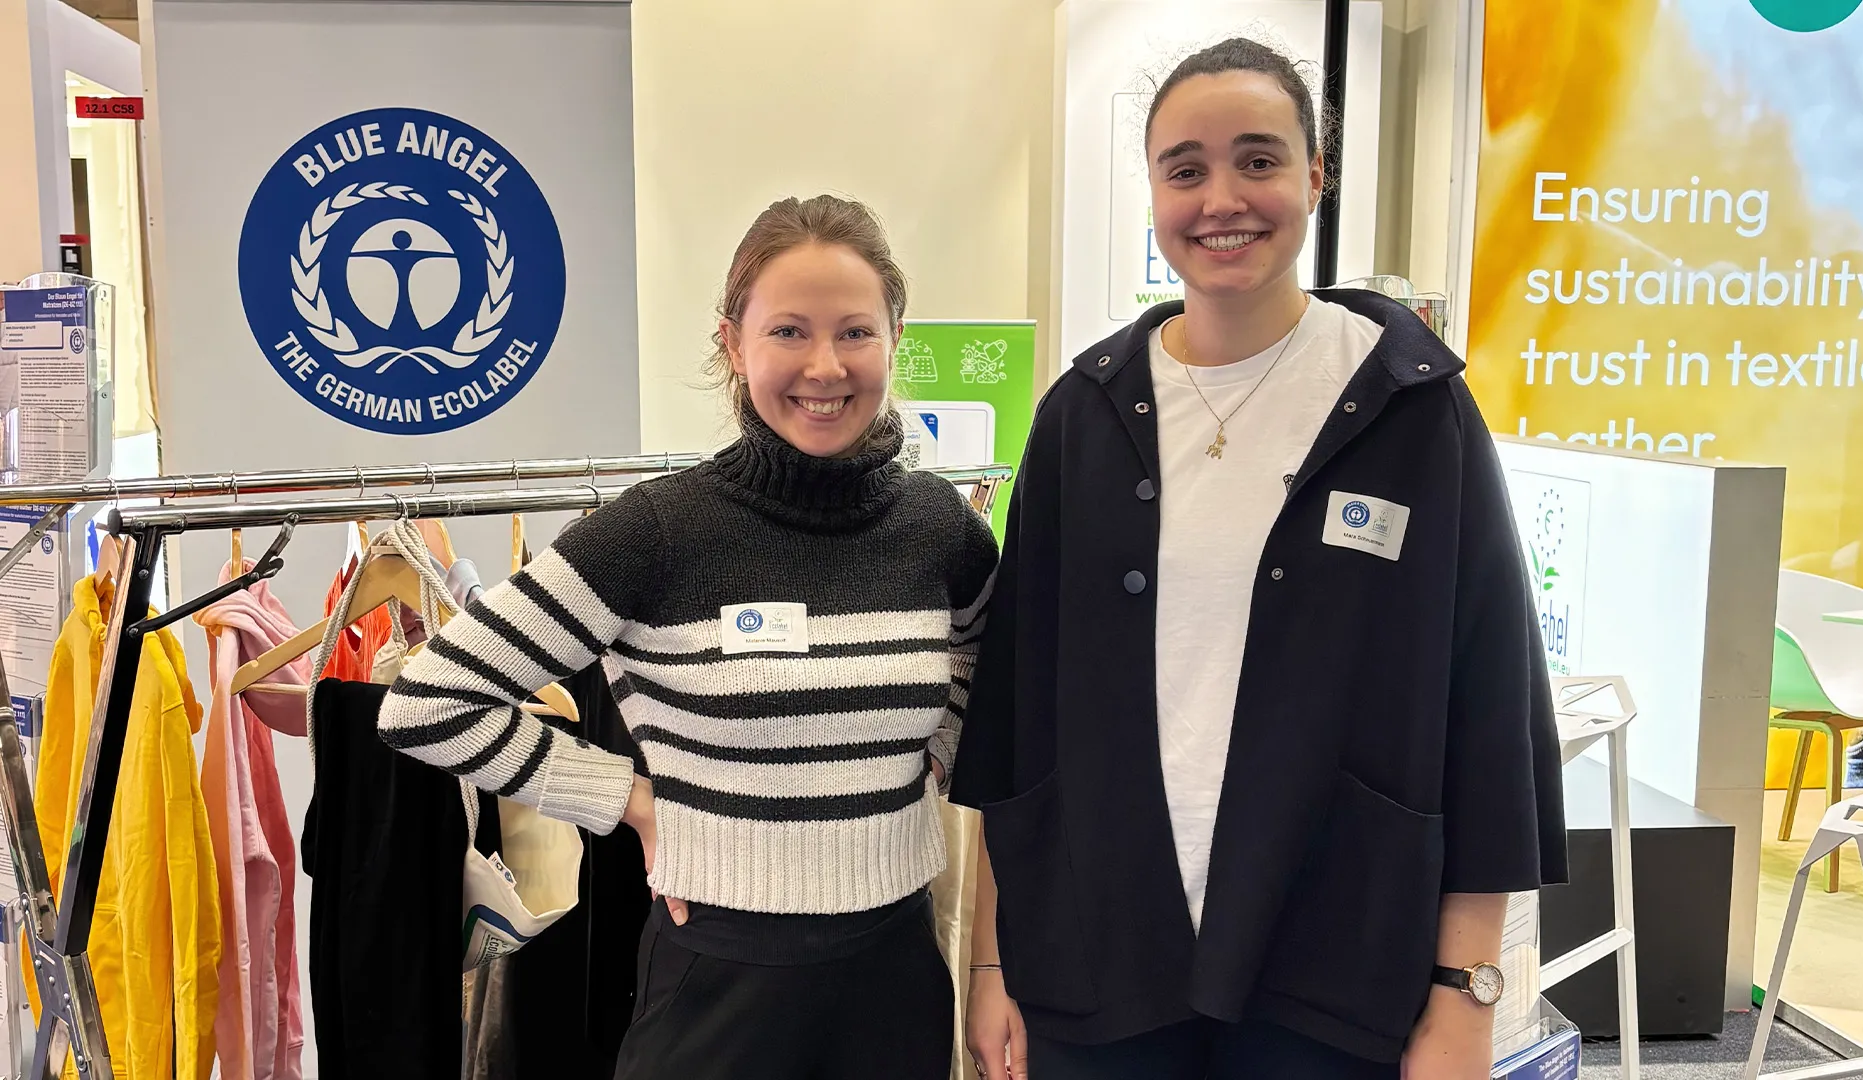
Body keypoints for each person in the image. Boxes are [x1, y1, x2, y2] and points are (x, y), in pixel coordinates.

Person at [952, 38, 1567, 1080]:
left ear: (1316, 174)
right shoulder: (1081, 416)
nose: (1221, 198)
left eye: (1260, 159)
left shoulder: (1414, 412)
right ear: (1152, 189)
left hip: (1331, 967)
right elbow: (1018, 719)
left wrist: (1468, 996)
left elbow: (1489, 711)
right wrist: (990, 962)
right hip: (1099, 962)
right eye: (1184, 169)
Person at [378, 194, 1000, 1080]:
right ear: (732, 344)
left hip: (894, 969)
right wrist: (626, 800)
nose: (825, 366)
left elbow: (987, 653)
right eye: (788, 331)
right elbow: (427, 702)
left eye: (855, 332)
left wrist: (940, 740)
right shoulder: (659, 532)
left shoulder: (940, 527)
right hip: (719, 978)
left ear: (895, 338)